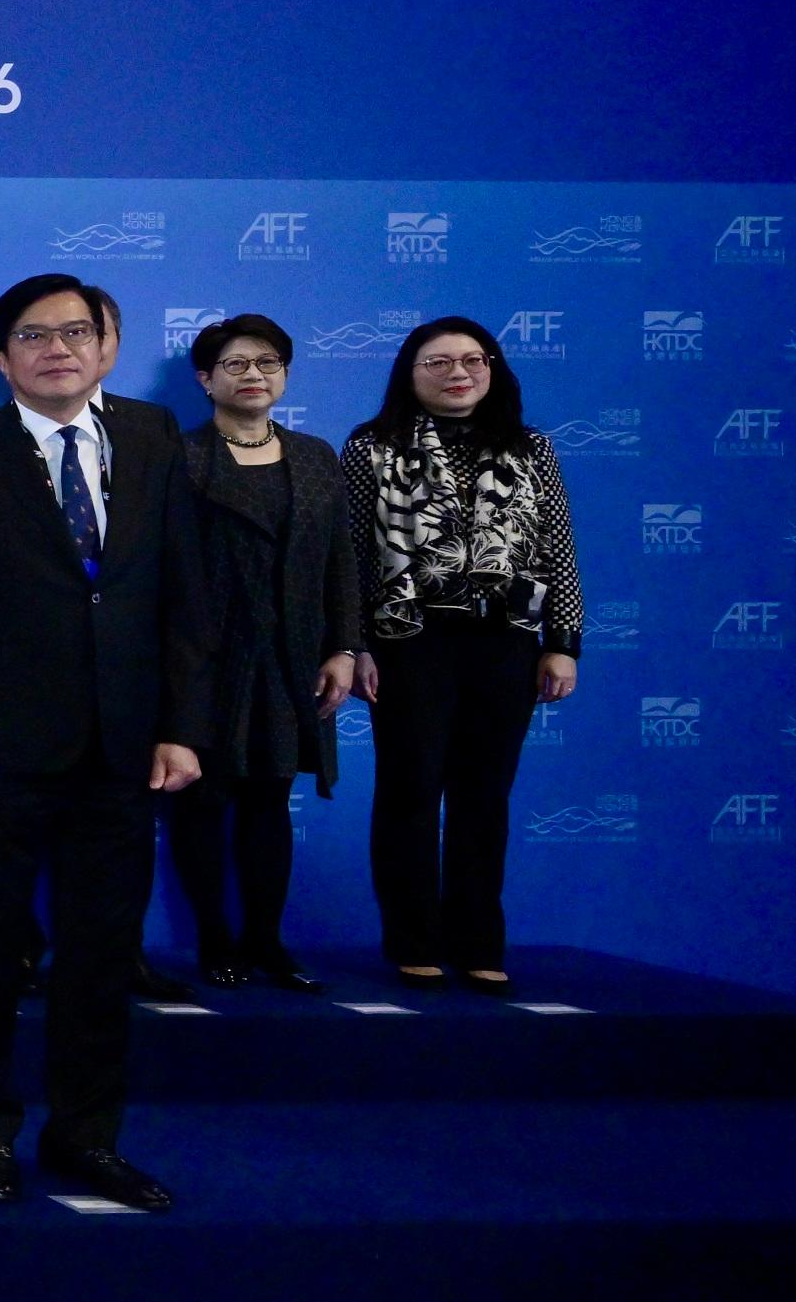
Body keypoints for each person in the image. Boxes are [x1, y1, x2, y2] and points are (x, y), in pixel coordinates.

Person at [0, 273, 207, 1213]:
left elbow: (186, 594)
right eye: (33, 337)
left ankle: (87, 1136)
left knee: (101, 956)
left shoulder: (154, 441)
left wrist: (182, 725)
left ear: (107, 346)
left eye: (77, 332)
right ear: (1, 358)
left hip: (122, 747)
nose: (58, 349)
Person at [346, 316, 582, 998]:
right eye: (439, 361)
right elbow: (354, 552)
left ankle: (479, 942)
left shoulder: (530, 446)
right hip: (408, 638)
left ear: (494, 369)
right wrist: (355, 641)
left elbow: (558, 548)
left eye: (473, 360)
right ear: (409, 371)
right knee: (410, 790)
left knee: (485, 796)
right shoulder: (372, 446)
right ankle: (414, 940)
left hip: (507, 639)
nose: (458, 372)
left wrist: (563, 642)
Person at [172, 315, 358, 994]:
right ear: (205, 378)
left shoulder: (315, 456)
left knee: (270, 800)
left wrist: (343, 645)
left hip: (291, 655)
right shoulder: (179, 456)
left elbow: (342, 558)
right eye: (236, 363)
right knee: (201, 800)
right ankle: (215, 938)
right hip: (207, 657)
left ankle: (266, 940)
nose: (254, 374)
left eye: (268, 362)